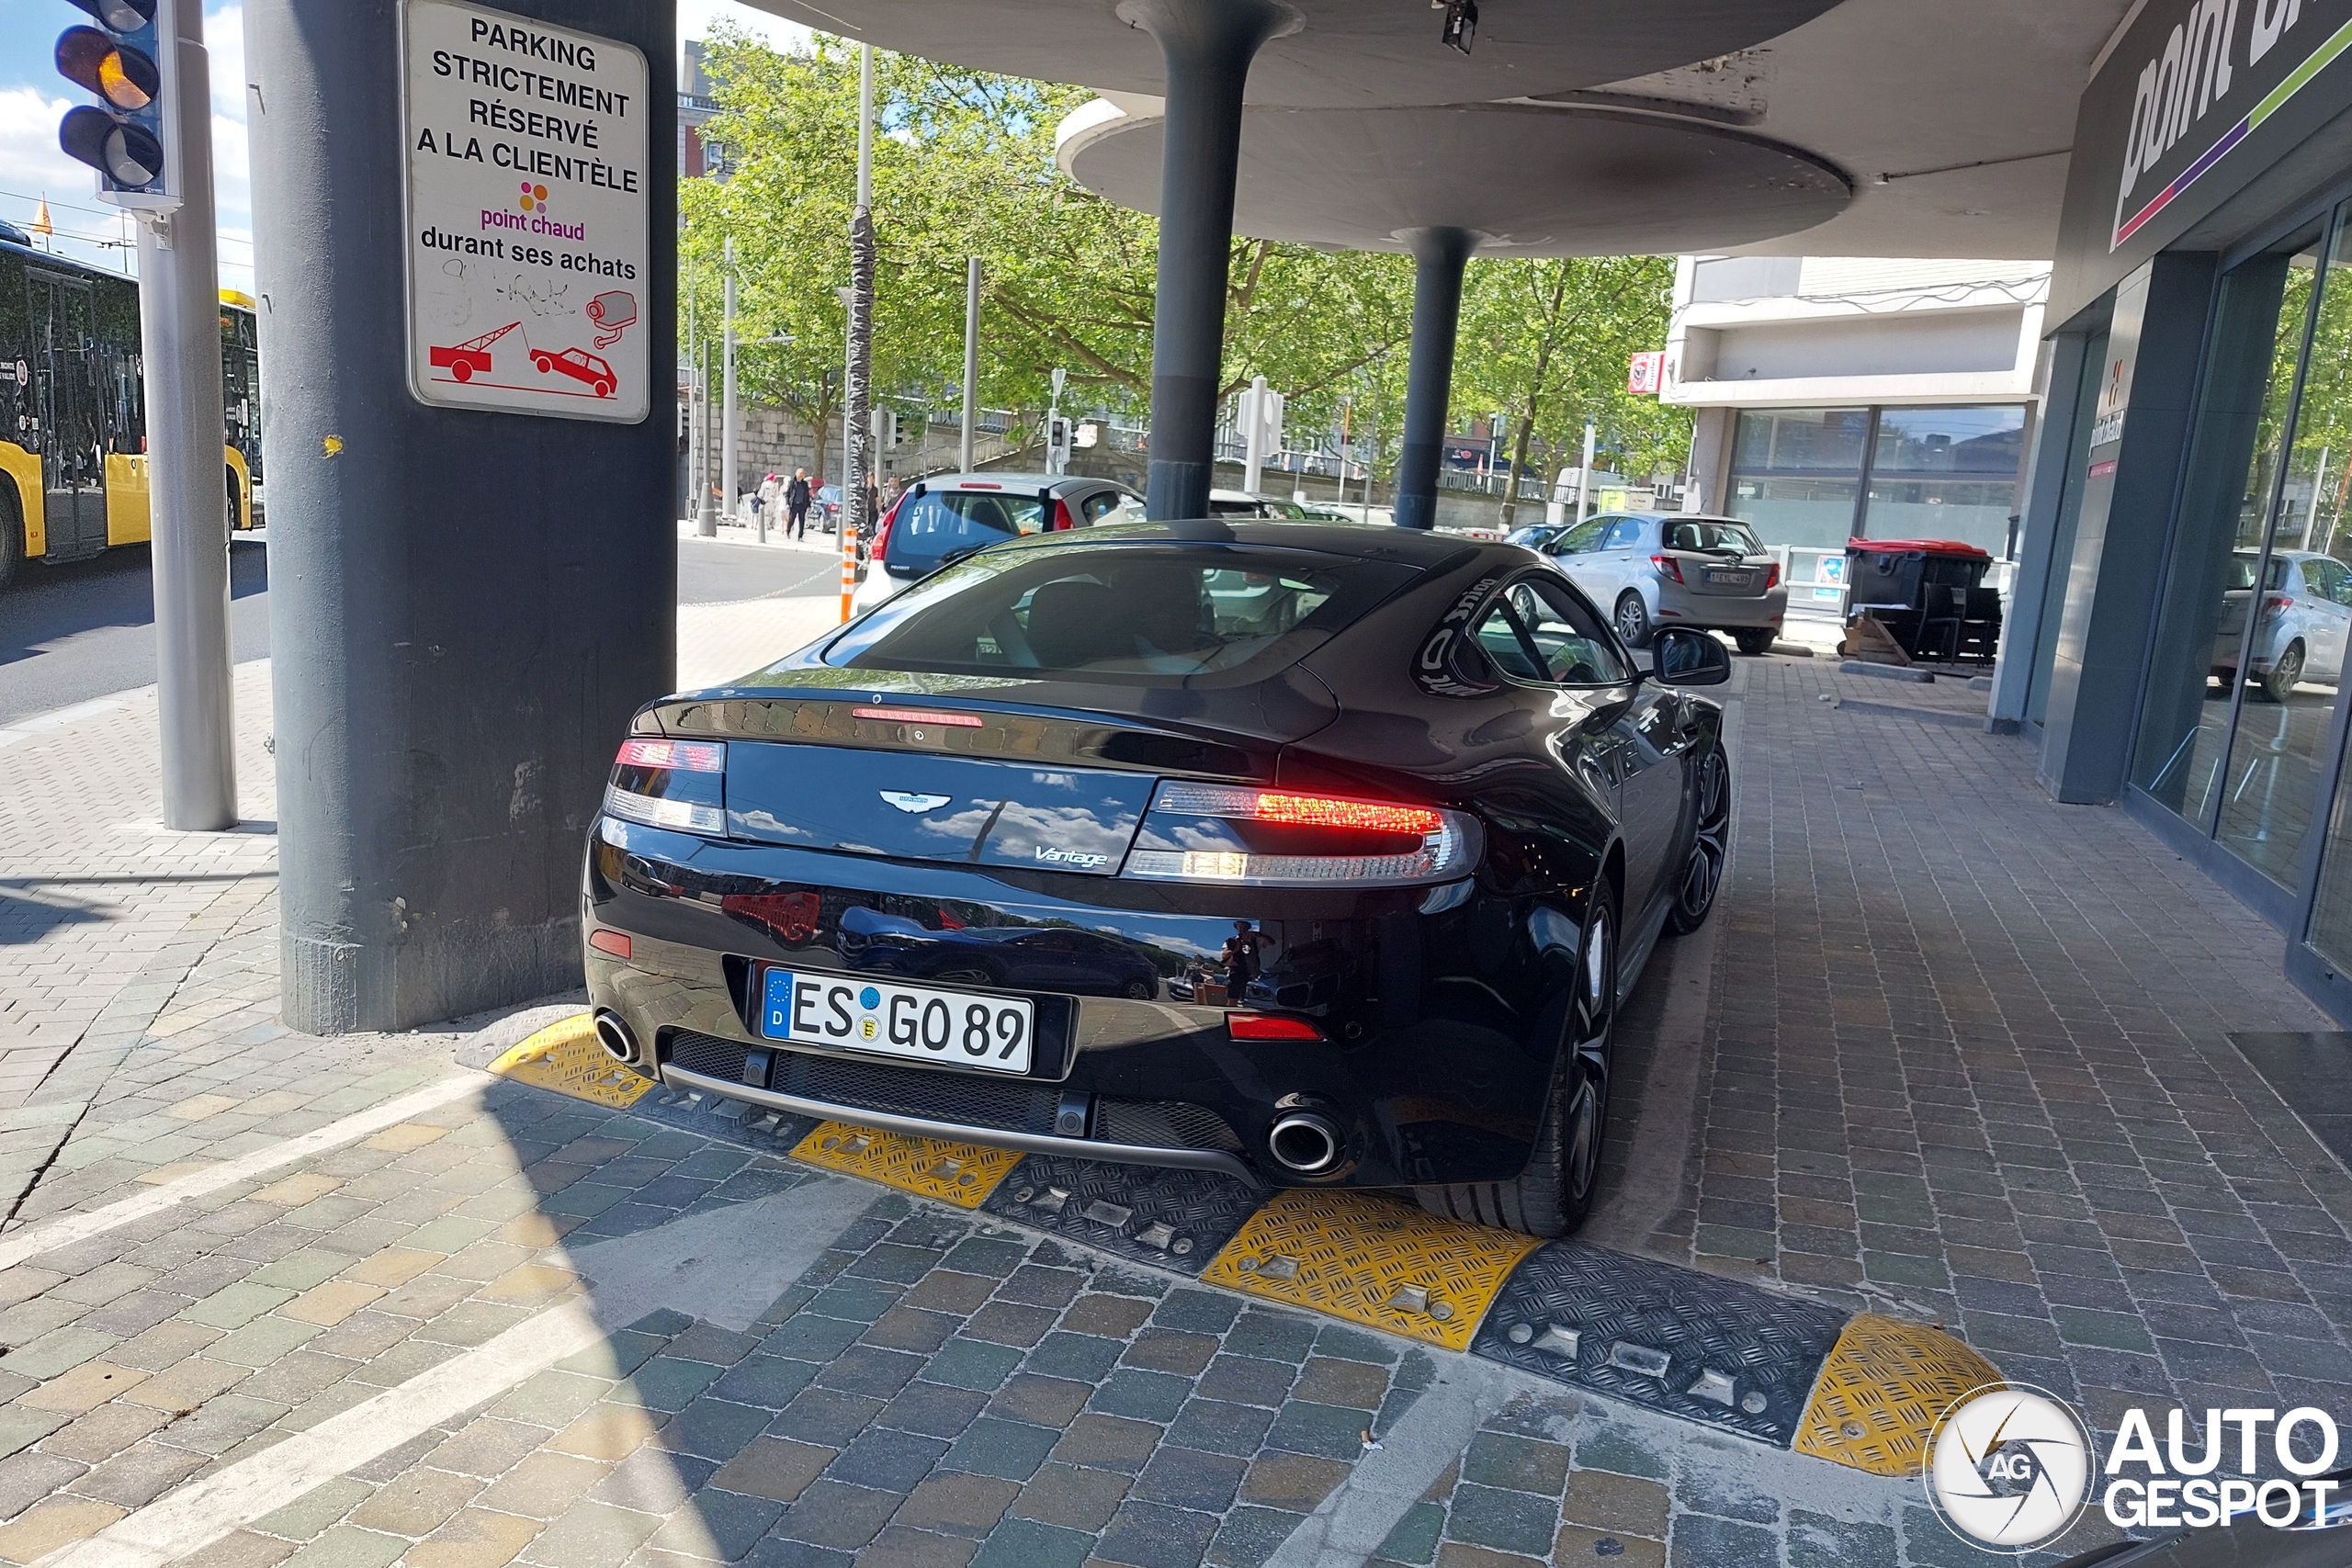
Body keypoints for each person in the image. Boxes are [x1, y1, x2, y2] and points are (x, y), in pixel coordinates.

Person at [786, 468, 811, 541]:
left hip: (802, 505)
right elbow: (787, 494)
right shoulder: (792, 482)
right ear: (797, 474)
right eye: (801, 473)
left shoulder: (805, 484)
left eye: (803, 473)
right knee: (791, 520)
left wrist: (808, 505)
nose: (802, 475)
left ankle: (800, 536)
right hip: (794, 504)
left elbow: (807, 495)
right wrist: (787, 503)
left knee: (802, 521)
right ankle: (788, 532)